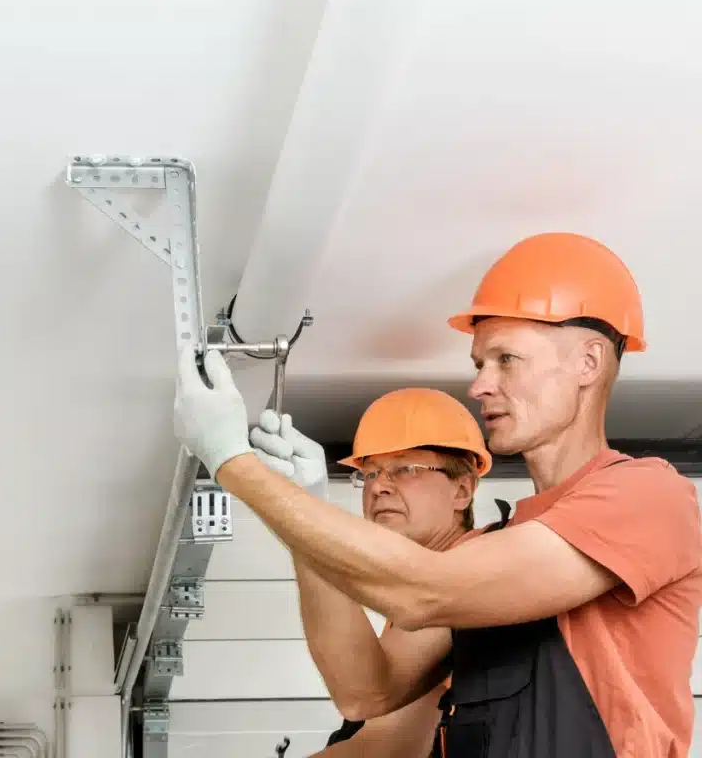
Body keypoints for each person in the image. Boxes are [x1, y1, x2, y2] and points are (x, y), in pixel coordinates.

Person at [173, 232, 702, 757]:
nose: (480, 386)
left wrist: (233, 464)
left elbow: (425, 590)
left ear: (588, 362)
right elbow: (364, 691)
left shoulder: (648, 495)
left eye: (506, 360)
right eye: (479, 364)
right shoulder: (494, 550)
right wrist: (303, 514)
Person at [250, 388, 495, 757]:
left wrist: (303, 518)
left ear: (462, 490)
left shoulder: (470, 575)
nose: (379, 486)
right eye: (370, 473)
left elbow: (386, 745)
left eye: (405, 469)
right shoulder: (416, 598)